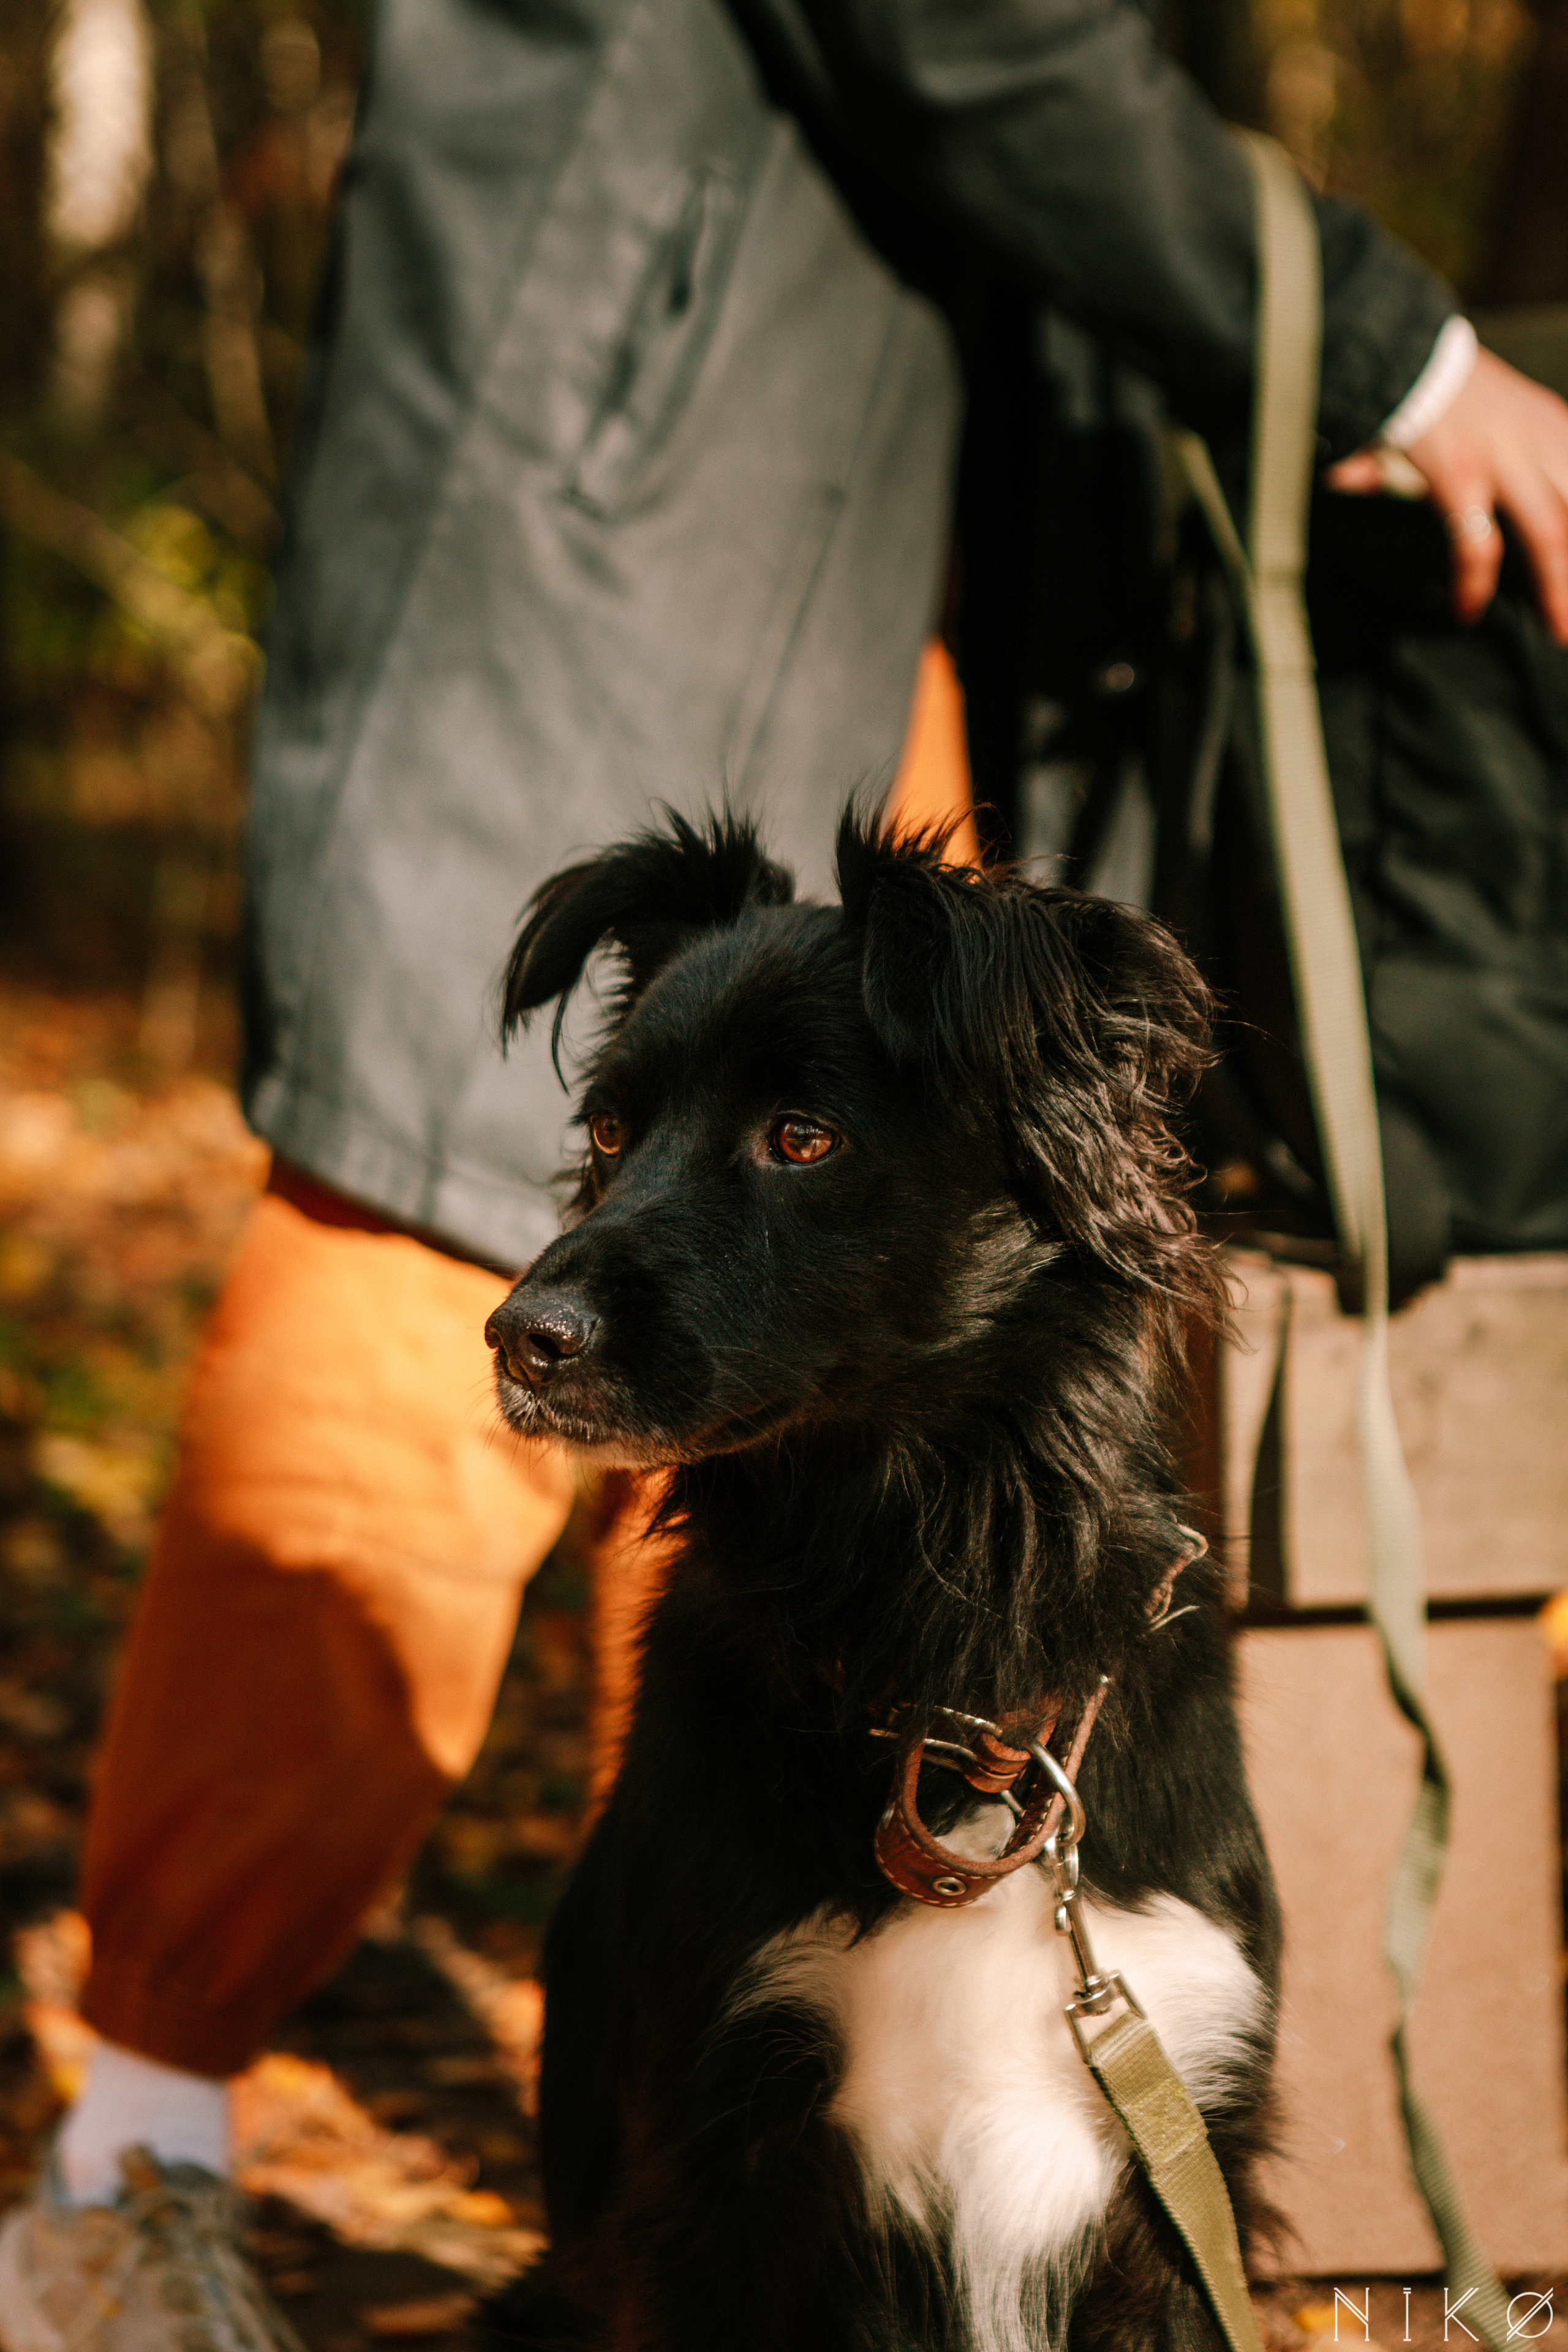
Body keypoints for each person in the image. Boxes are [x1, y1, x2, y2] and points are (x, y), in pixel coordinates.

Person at [5, 0, 1568, 2344]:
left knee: (967, 1254)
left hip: (902, 514)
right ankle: (134, 2161)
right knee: (414, 1260)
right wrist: (1396, 355)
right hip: (640, 468)